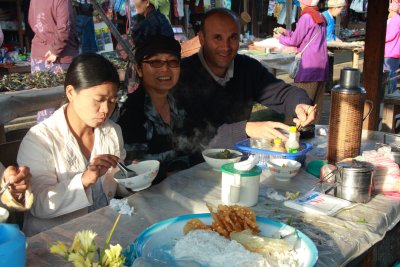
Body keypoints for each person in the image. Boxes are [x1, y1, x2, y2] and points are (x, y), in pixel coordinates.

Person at [173, 8, 316, 158]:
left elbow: (285, 94)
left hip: (239, 164)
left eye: (233, 37)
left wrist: (300, 104)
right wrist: (245, 129)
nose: (226, 47)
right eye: (217, 38)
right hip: (191, 167)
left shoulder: (248, 69)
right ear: (202, 38)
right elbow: (187, 135)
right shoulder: (182, 74)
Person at [17, 54, 128, 236]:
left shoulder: (112, 131)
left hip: (103, 231)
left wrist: (131, 178)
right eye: (98, 100)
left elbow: (115, 186)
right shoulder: (40, 139)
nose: (106, 110)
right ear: (71, 93)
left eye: (112, 100)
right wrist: (84, 181)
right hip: (53, 242)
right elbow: (38, 204)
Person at [117, 35, 189, 184]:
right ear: (139, 69)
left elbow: (190, 149)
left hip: (184, 185)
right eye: (155, 62)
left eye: (172, 62)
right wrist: (168, 176)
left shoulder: (180, 103)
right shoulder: (131, 112)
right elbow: (135, 169)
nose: (165, 68)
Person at [274, 0, 328, 123]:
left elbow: (294, 41)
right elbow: (304, 36)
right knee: (315, 107)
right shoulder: (320, 16)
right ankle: (312, 134)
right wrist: (286, 32)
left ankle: (291, 133)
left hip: (309, 67)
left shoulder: (306, 17)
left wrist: (280, 38)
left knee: (299, 103)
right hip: (321, 66)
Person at [29, 0, 79, 74]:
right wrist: (55, 51)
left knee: (40, 85)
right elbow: (64, 28)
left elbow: (32, 22)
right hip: (59, 57)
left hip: (38, 55)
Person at [384, 2, 400, 95]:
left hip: (391, 51)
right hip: (393, 50)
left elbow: (390, 35)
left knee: (390, 73)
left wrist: (379, 38)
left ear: (391, 10)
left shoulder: (395, 19)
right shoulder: (396, 19)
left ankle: (390, 92)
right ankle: (390, 91)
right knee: (392, 72)